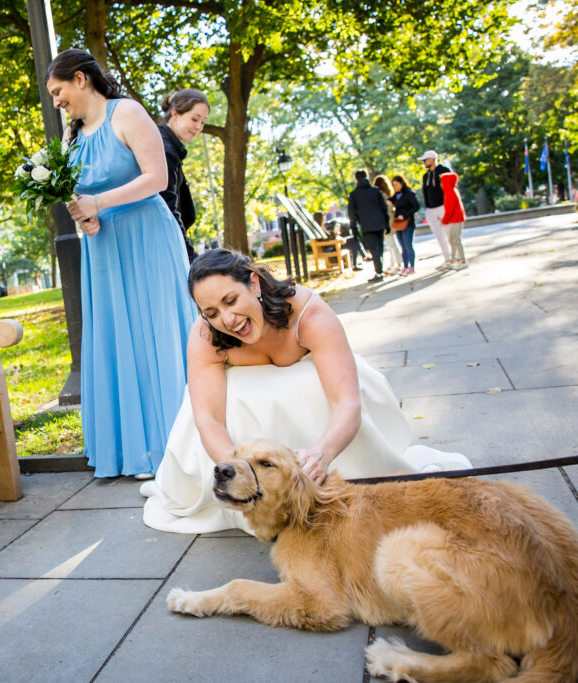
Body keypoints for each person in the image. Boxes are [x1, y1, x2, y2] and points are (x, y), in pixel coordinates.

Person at [140, 250, 472, 535]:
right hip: (249, 420)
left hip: (323, 404)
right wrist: (239, 471)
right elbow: (209, 418)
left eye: (231, 300)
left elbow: (345, 401)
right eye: (211, 313)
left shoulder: (307, 313)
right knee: (223, 398)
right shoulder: (205, 336)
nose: (227, 319)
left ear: (254, 283)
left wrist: (322, 454)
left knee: (309, 384)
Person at [47, 48, 197, 478]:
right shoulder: (70, 136)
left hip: (146, 235)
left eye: (58, 91)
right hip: (103, 246)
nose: (57, 101)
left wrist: (100, 202)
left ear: (80, 79)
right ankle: (131, 449)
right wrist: (86, 218)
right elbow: (77, 195)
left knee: (156, 331)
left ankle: (173, 444)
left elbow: (157, 178)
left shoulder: (126, 112)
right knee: (117, 336)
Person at [158, 88, 210, 263]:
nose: (198, 127)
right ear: (175, 114)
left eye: (203, 122)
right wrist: (190, 256)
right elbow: (167, 209)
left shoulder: (168, 147)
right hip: (164, 247)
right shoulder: (165, 150)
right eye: (195, 119)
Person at [347, 169, 388, 283]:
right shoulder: (375, 191)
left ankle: (379, 272)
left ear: (356, 179)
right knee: (379, 249)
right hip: (379, 224)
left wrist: (354, 229)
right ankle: (380, 270)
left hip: (367, 226)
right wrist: (386, 223)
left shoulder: (354, 194)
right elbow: (383, 208)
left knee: (374, 249)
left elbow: (352, 214)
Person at [419, 150, 453, 270]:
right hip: (431, 209)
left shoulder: (443, 171)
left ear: (432, 159)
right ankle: (447, 259)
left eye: (425, 160)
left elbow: (450, 188)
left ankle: (456, 258)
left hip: (443, 206)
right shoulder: (425, 176)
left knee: (449, 233)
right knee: (439, 236)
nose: (424, 162)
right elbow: (425, 192)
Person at [373, 174, 402, 276]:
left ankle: (399, 264)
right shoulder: (388, 194)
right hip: (390, 219)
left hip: (386, 221)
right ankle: (394, 263)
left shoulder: (380, 195)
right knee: (391, 244)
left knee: (391, 244)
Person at [391, 175, 419, 275]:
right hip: (398, 223)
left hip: (408, 223)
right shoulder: (396, 196)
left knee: (408, 245)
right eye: (393, 185)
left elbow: (416, 206)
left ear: (402, 183)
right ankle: (405, 266)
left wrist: (405, 215)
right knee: (402, 246)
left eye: (397, 185)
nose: (395, 187)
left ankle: (412, 266)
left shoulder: (409, 194)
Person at [440, 171, 468, 269]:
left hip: (455, 219)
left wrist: (444, 220)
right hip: (456, 219)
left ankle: (463, 260)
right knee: (453, 240)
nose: (441, 184)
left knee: (455, 240)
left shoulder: (450, 192)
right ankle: (453, 259)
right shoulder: (452, 190)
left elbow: (449, 209)